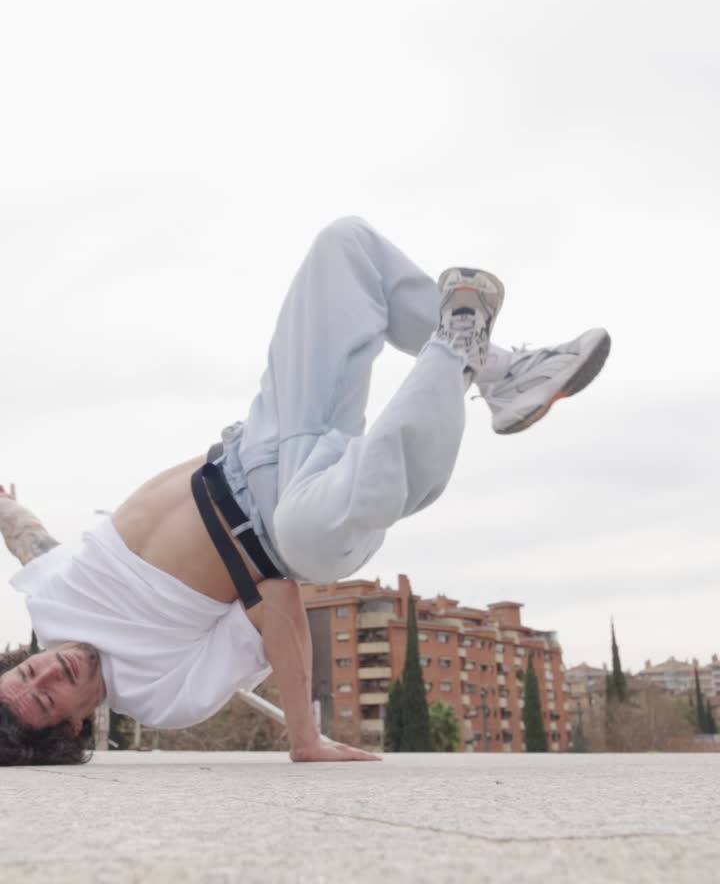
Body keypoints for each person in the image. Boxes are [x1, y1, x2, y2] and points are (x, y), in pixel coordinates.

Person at [0, 217, 610, 766]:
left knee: (344, 249)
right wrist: (304, 737)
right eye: (47, 697)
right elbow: (275, 603)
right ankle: (456, 347)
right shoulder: (161, 695)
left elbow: (33, 543)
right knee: (311, 528)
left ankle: (507, 373)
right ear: (73, 727)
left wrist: (4, 506)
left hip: (258, 444)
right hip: (291, 528)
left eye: (27, 672)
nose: (49, 671)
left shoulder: (51, 605)